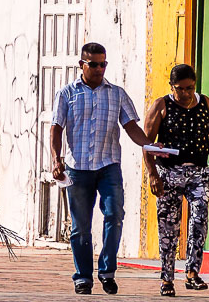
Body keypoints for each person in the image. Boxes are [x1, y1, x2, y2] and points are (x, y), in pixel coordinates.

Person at [51, 42, 151, 295]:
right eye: (93, 64)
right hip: (77, 169)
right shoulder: (67, 93)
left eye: (103, 64)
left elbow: (131, 127)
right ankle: (83, 277)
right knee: (80, 226)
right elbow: (56, 127)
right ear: (81, 65)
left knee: (115, 215)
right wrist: (56, 159)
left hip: (108, 166)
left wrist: (151, 145)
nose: (98, 69)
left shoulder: (117, 94)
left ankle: (107, 271)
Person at [143, 64, 209, 296]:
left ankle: (192, 272)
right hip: (169, 174)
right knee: (168, 226)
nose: (186, 93)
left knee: (199, 218)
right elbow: (147, 144)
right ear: (172, 87)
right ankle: (167, 278)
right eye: (181, 89)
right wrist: (153, 174)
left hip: (199, 173)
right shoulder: (161, 106)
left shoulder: (205, 104)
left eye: (190, 88)